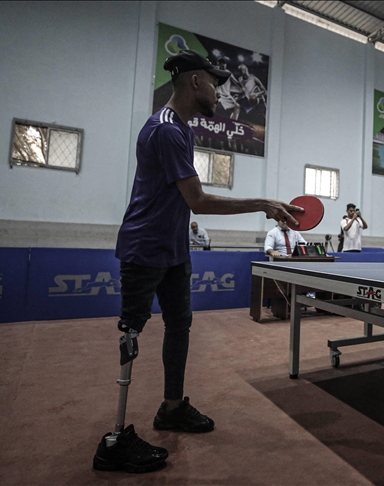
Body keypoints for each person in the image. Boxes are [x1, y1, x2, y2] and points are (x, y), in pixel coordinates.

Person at [94, 49, 302, 474]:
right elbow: (198, 201)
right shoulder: (166, 130)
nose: (218, 92)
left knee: (179, 326)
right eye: (214, 83)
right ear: (194, 82)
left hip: (173, 250)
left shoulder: (183, 130)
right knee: (132, 331)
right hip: (145, 248)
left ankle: (172, 408)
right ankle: (115, 438)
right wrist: (263, 203)